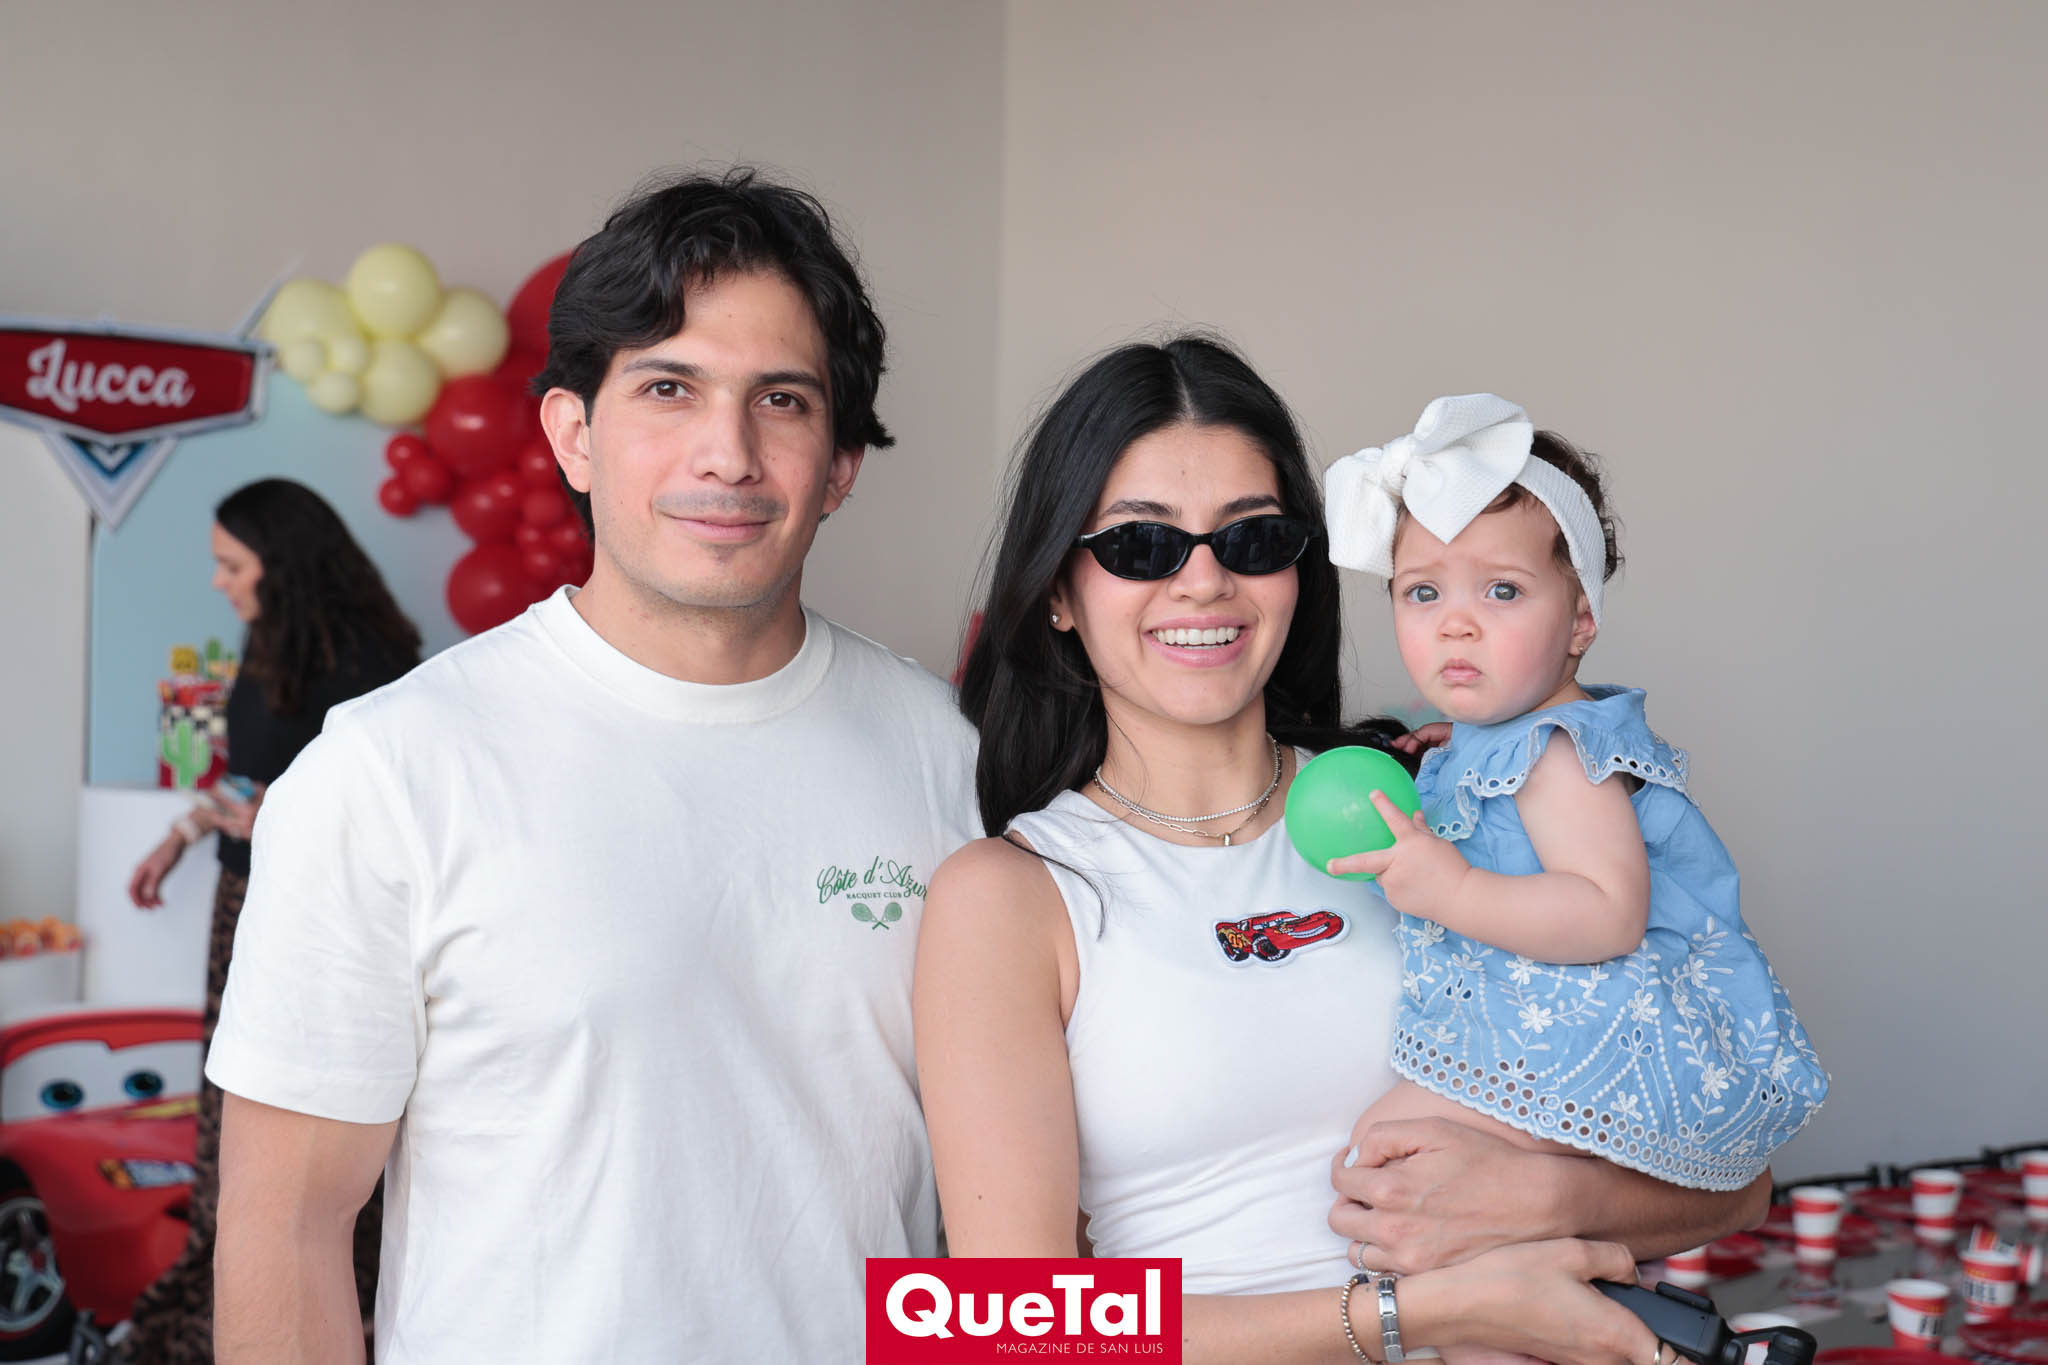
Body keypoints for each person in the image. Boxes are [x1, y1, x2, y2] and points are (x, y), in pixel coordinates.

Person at [204, 169, 979, 1363]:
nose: (726, 454)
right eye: (669, 389)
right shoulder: (390, 771)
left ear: (839, 465)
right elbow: (285, 1229)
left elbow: (1018, 1205)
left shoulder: (948, 753)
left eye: (780, 400)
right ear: (572, 434)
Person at [915, 337, 1769, 1365]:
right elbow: (998, 1322)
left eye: (1252, 538)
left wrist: (1546, 1198)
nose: (1203, 581)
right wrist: (1420, 1313)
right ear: (1058, 588)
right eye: (1141, 545)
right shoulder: (1010, 895)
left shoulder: (1436, 811)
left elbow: (1738, 1181)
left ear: (1299, 571)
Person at [1316, 394, 1827, 1191]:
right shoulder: (1521, 737)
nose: (1456, 623)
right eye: (1423, 592)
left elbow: (1607, 911)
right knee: (1393, 1154)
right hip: (1560, 1034)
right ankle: (1552, 1261)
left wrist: (1454, 889)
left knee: (1383, 1145)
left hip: (1595, 1047)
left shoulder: (1557, 753)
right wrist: (1462, 749)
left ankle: (1553, 1261)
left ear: (1581, 620)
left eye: (1502, 591)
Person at [120, 478, 420, 1364]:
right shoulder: (265, 642)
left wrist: (284, 825)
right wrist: (184, 833)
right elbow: (251, 778)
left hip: (320, 923)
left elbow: (376, 817)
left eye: (231, 565)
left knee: (307, 1134)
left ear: (281, 565)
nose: (218, 582)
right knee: (231, 1119)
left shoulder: (375, 670)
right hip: (238, 901)